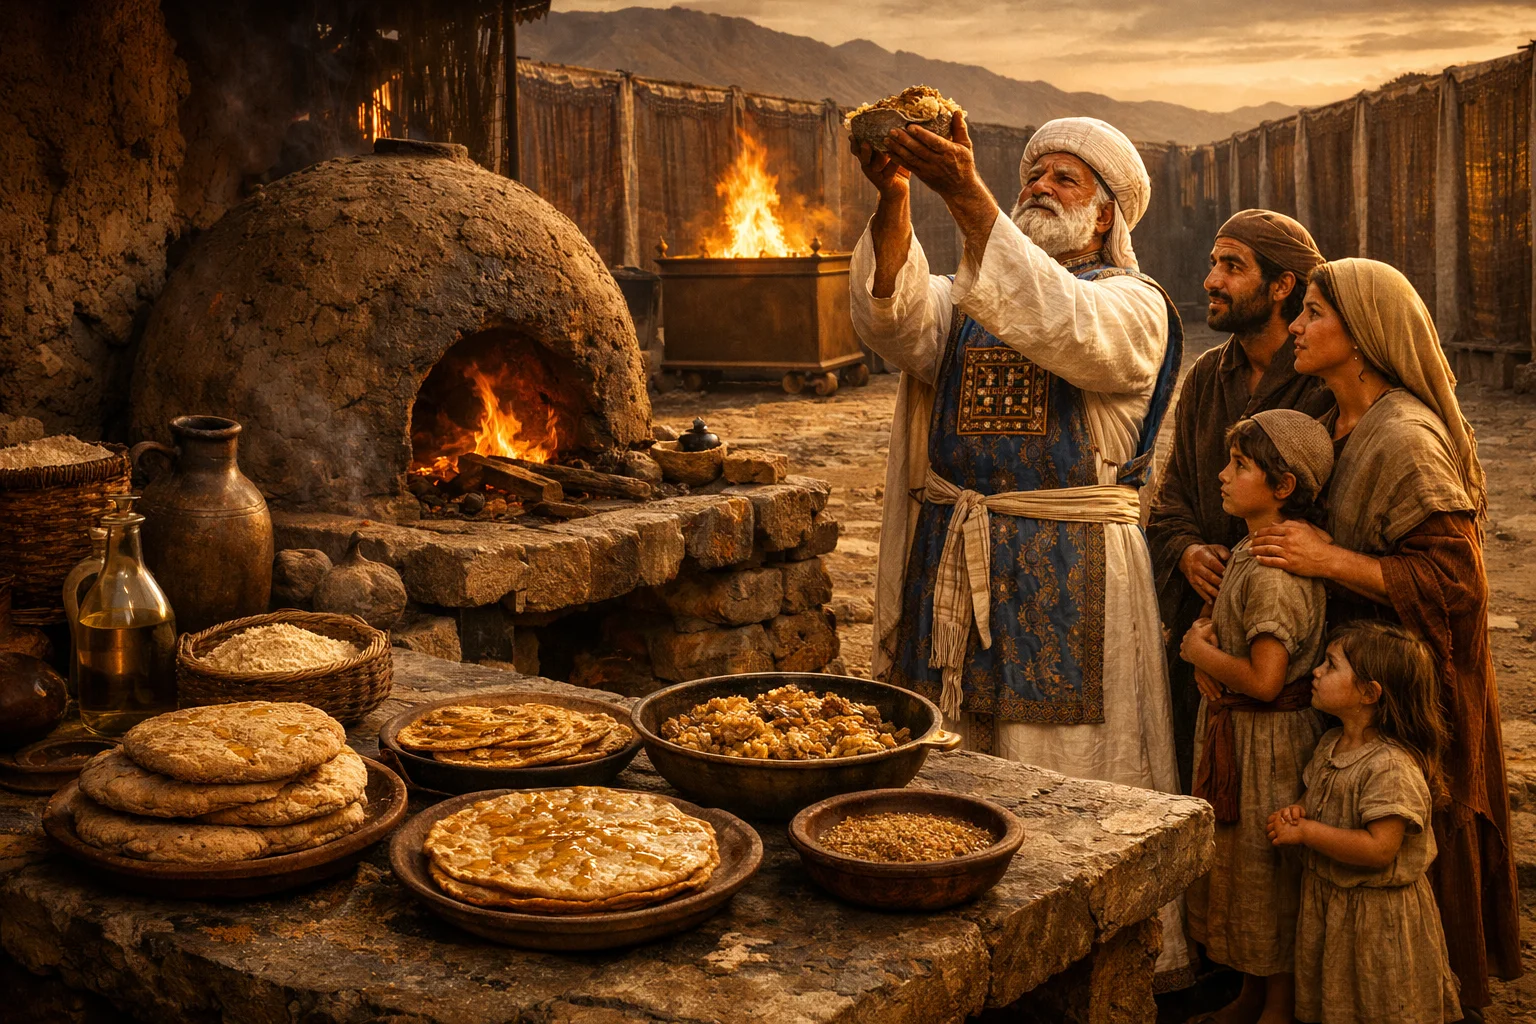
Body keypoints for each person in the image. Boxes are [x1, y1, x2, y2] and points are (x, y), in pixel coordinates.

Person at [848, 113, 1190, 982]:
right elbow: (893, 318)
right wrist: (895, 198)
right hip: (951, 562)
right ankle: (944, 944)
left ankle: (1085, 951)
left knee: (1069, 786)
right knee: (947, 772)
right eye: (1032, 173)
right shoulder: (974, 296)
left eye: (1064, 179)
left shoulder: (1132, 306)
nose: (1039, 186)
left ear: (1108, 214)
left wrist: (966, 192)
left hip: (1071, 575)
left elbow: (1063, 322)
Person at [1252, 258, 1520, 1014]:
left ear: (1364, 335)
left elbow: (1457, 588)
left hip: (1403, 695)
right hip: (1349, 683)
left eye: (1311, 313)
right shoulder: (1329, 414)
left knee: (1403, 851)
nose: (1296, 327)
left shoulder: (1403, 438)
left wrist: (1330, 559)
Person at [1147, 209, 1333, 792]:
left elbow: (1331, 517)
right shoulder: (1206, 376)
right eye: (1212, 264)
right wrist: (1186, 553)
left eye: (1232, 266)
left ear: (1281, 288)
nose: (1212, 281)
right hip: (1199, 636)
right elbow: (1170, 495)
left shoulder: (1320, 381)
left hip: (1287, 642)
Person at [1178, 409, 1332, 1024]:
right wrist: (1209, 636)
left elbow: (1268, 681)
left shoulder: (1276, 569)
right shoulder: (1250, 546)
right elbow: (1234, 630)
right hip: (1236, 741)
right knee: (1240, 874)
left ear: (1284, 486)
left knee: (1269, 880)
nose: (1222, 475)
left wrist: (1199, 650)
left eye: (1240, 465)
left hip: (1269, 750)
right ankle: (1249, 995)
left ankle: (1280, 1007)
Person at [1267, 621, 1462, 1024]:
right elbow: (1318, 798)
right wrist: (1299, 811)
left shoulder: (1389, 767)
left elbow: (1379, 849)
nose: (1316, 672)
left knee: (1382, 1004)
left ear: (1369, 693)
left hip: (1377, 918)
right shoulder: (1331, 744)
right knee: (1343, 1003)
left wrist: (1307, 833)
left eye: (1331, 665)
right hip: (1335, 908)